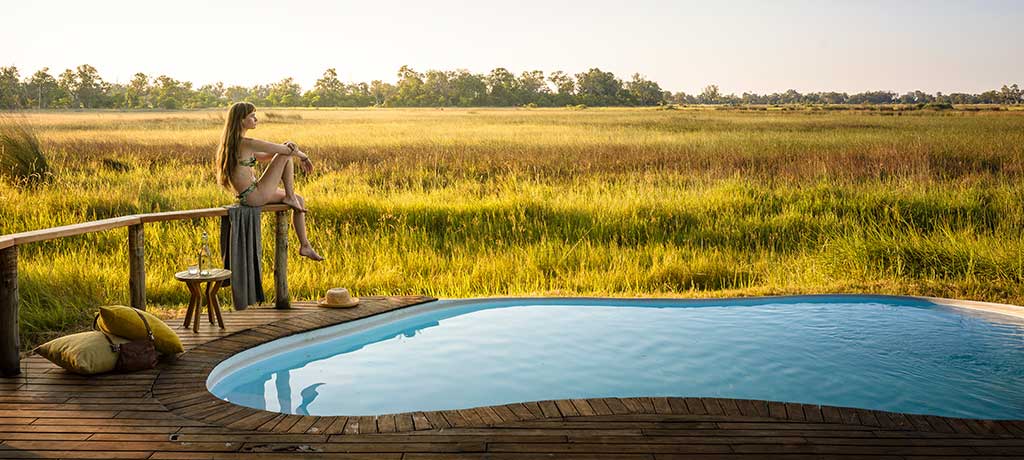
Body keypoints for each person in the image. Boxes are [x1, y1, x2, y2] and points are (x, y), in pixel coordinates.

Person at [215, 101, 324, 261]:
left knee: (300, 200)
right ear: (241, 120)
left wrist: (287, 146)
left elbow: (268, 156)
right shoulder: (246, 143)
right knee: (286, 156)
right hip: (254, 196)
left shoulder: (236, 144)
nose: (256, 119)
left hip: (251, 194)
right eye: (252, 116)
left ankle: (305, 246)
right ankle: (290, 196)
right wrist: (302, 156)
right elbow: (284, 152)